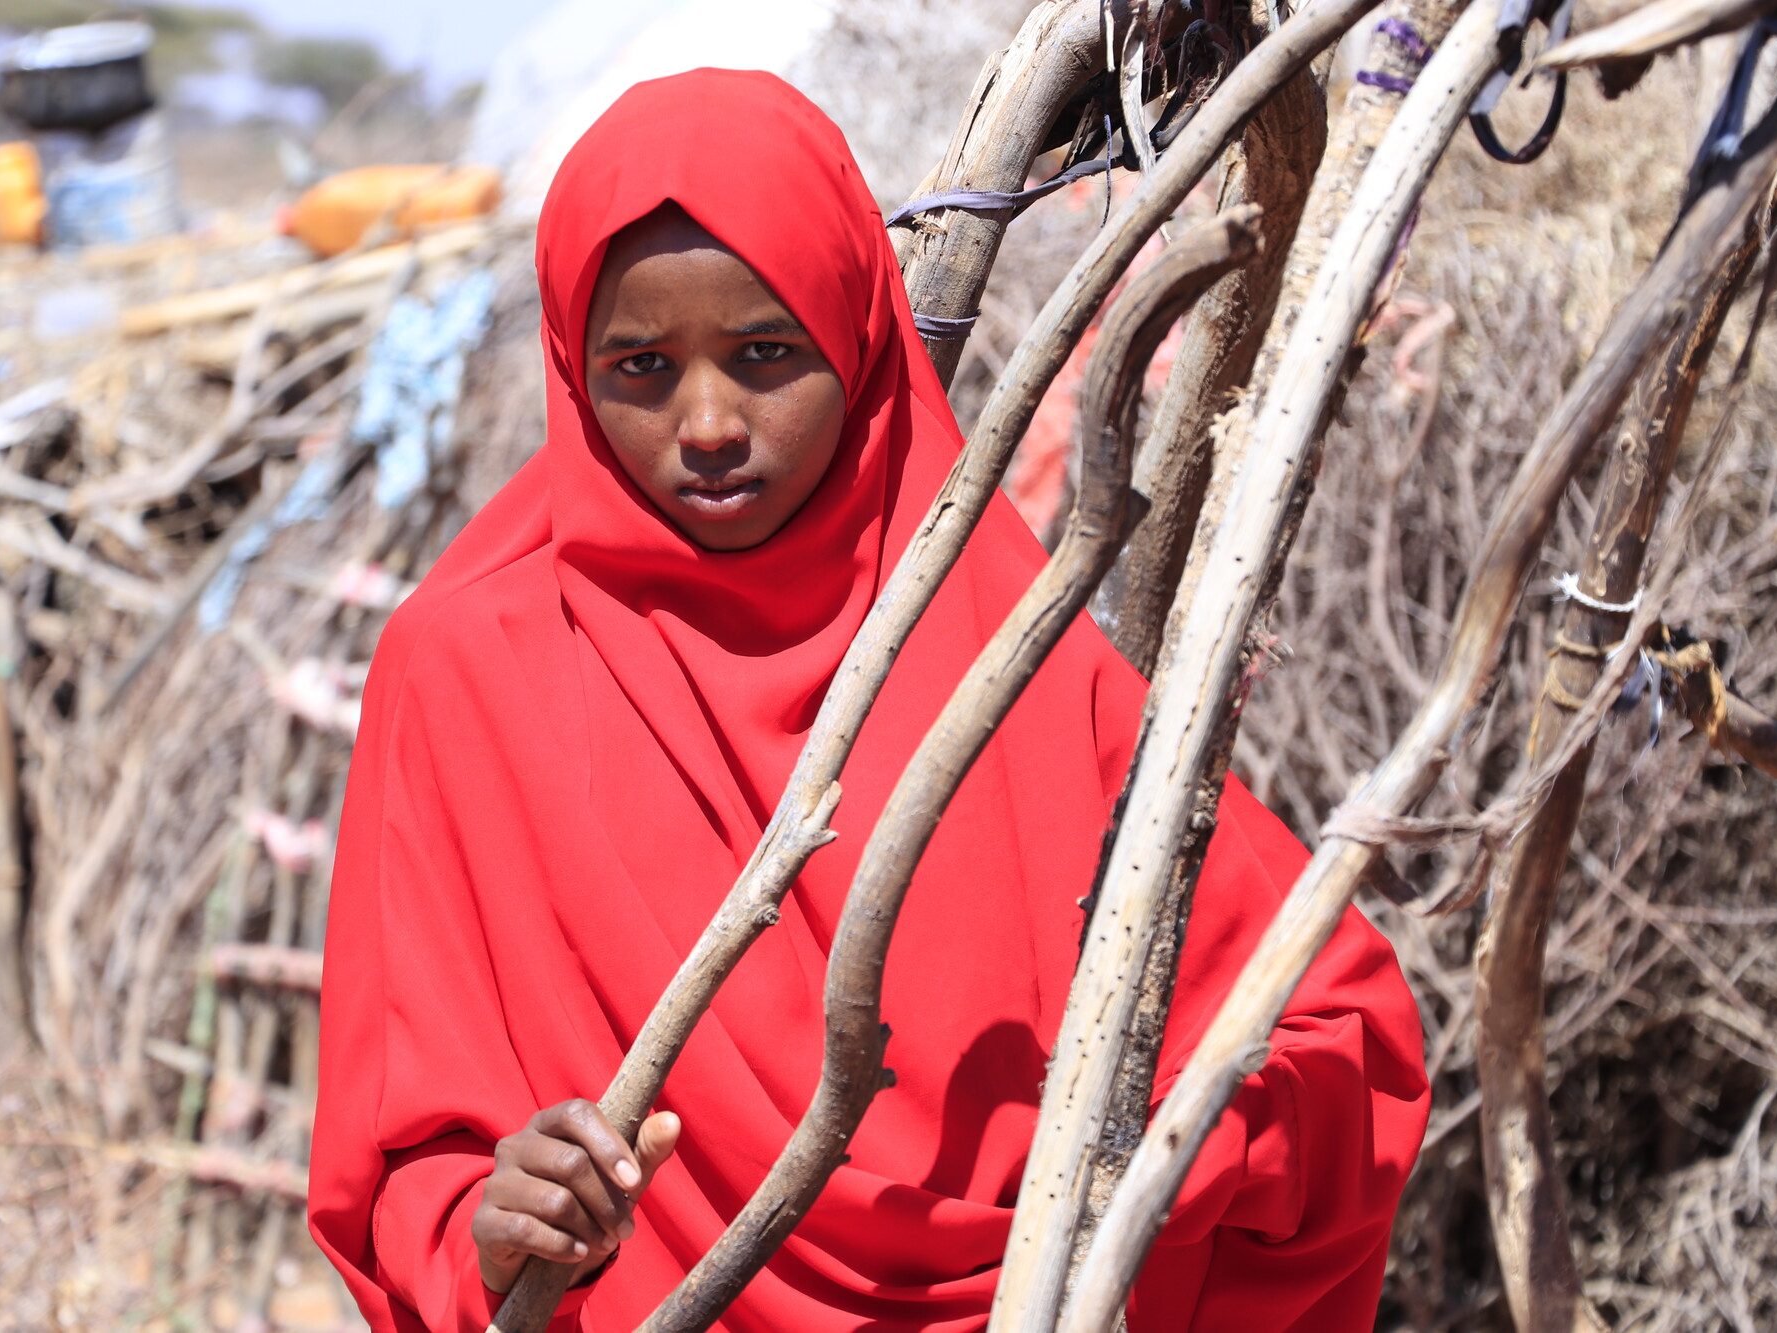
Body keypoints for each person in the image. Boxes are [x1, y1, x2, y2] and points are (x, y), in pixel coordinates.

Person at [308, 68, 1429, 1333]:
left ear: (855, 334)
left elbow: (1341, 1036)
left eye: (765, 353)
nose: (710, 422)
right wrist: (498, 1225)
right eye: (640, 366)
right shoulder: (468, 675)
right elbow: (401, 1168)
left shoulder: (1007, 661)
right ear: (573, 369)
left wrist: (1142, 1166)